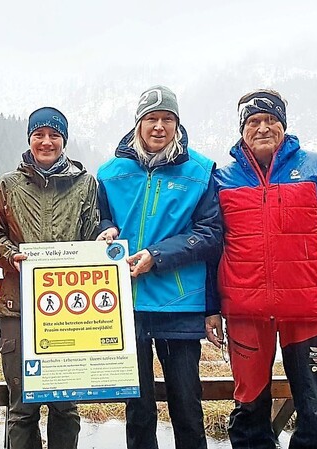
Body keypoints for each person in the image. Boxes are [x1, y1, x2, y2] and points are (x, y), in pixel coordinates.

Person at [213, 89, 317, 449]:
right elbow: (211, 250)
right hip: (246, 315)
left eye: (271, 121)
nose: (263, 128)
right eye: (254, 122)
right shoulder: (222, 179)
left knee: (314, 411)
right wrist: (212, 309)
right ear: (242, 130)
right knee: (249, 411)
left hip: (307, 314)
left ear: (283, 125)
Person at [96, 86, 223, 449]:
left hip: (178, 304)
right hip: (124, 304)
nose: (159, 127)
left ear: (178, 124)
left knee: (186, 404)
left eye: (167, 119)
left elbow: (211, 235)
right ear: (138, 123)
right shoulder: (109, 172)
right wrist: (103, 228)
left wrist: (158, 255)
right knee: (137, 408)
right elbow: (99, 217)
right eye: (151, 119)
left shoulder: (200, 170)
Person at [0, 107, 99, 449]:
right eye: (39, 134)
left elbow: (94, 230)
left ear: (64, 141)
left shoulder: (86, 184)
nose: (46, 142)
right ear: (29, 139)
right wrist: (11, 256)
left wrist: (103, 242)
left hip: (70, 313)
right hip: (18, 309)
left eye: (54, 135)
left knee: (66, 406)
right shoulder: (7, 185)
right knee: (22, 408)